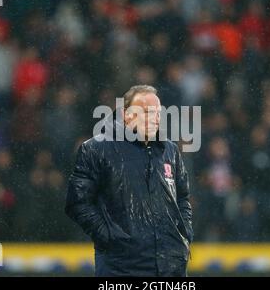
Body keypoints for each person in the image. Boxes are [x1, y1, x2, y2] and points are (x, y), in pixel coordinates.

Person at [66, 85, 193, 277]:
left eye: (158, 113)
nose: (155, 118)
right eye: (147, 112)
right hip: (121, 267)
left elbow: (182, 198)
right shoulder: (96, 149)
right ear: (127, 115)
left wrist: (183, 233)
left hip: (170, 266)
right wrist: (110, 238)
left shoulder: (170, 151)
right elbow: (78, 202)